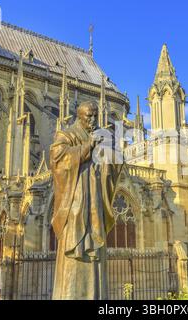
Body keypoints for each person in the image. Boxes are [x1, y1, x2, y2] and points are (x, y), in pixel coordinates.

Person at [50, 100, 122, 300]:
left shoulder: (100, 134)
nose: (93, 119)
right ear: (78, 116)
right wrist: (88, 145)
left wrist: (109, 152)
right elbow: (59, 161)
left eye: (95, 115)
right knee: (74, 248)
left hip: (94, 202)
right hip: (75, 202)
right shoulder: (65, 135)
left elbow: (115, 163)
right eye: (88, 116)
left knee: (96, 247)